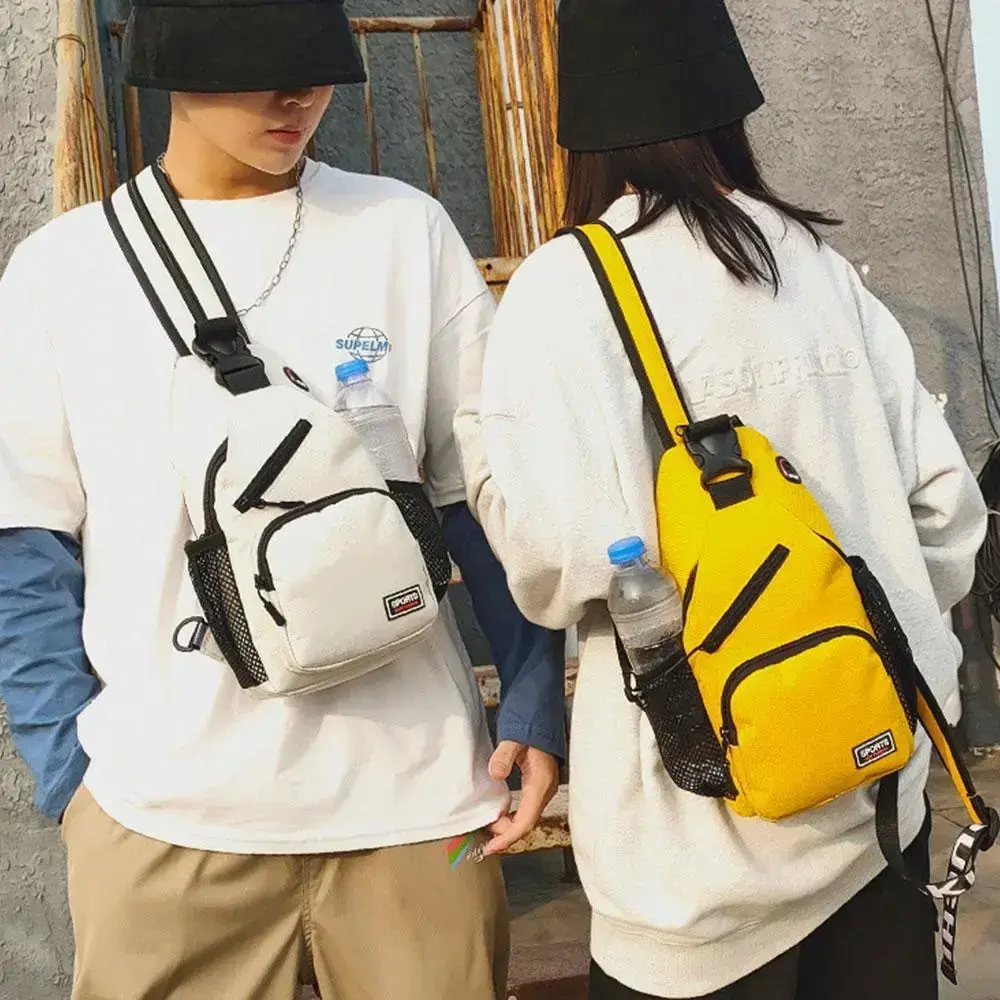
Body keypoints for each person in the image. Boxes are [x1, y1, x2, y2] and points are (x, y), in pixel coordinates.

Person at [0, 1, 564, 997]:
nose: (297, 95)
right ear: (173, 61)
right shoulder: (63, 270)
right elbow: (25, 541)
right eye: (256, 66)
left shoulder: (403, 232)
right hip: (163, 818)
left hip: (415, 803)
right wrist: (71, 777)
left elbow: (474, 498)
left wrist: (532, 694)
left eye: (315, 66)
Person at [453, 1, 988, 998]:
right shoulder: (813, 262)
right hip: (876, 802)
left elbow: (554, 564)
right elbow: (945, 513)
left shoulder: (566, 288)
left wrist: (481, 455)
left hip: (694, 860)